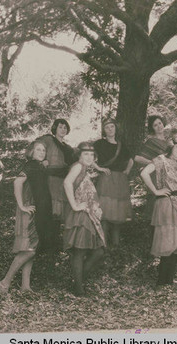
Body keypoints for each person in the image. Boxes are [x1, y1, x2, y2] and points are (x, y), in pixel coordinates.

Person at [0, 140, 55, 294]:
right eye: (38, 150)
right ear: (31, 152)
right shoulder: (31, 165)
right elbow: (17, 183)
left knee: (32, 248)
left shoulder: (38, 166)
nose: (41, 152)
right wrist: (22, 205)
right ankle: (5, 281)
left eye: (43, 150)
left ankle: (25, 286)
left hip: (39, 210)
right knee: (30, 249)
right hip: (31, 212)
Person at [140, 133, 177, 287]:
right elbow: (144, 172)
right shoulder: (161, 160)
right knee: (168, 239)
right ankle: (162, 281)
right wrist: (156, 190)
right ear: (171, 147)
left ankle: (169, 280)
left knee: (176, 242)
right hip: (167, 202)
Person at [63, 142, 106, 296]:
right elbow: (67, 182)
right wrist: (74, 205)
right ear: (80, 156)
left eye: (91, 154)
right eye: (85, 154)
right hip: (80, 215)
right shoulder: (78, 166)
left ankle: (77, 281)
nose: (89, 157)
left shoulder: (85, 170)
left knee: (98, 252)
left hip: (89, 214)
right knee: (80, 252)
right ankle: (79, 289)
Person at [93, 118, 134, 248]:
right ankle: (103, 244)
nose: (110, 129)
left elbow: (130, 159)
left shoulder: (121, 144)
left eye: (112, 127)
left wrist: (127, 170)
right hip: (106, 178)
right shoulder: (99, 144)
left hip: (120, 180)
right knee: (105, 211)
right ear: (104, 130)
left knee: (118, 211)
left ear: (116, 128)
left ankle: (116, 244)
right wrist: (99, 168)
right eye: (107, 127)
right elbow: (87, 155)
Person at [36, 118, 75, 253]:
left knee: (57, 213)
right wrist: (43, 159)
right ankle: (43, 242)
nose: (63, 130)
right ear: (55, 128)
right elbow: (34, 149)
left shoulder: (68, 147)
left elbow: (73, 163)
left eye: (65, 127)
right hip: (48, 179)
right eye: (60, 127)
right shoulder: (48, 140)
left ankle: (53, 242)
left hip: (61, 181)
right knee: (46, 210)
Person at [134, 115, 173, 219]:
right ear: (152, 128)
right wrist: (153, 162)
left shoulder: (169, 141)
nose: (159, 126)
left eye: (160, 123)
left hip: (171, 176)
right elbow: (137, 158)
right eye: (155, 125)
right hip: (157, 177)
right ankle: (155, 232)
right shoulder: (151, 142)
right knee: (157, 205)